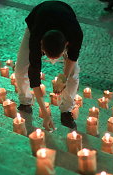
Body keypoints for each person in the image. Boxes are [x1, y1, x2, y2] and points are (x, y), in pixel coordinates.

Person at [15, 1, 83, 130]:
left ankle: (66, 110)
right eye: (47, 55)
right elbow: (34, 75)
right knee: (20, 69)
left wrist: (63, 78)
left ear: (67, 45)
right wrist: (45, 113)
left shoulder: (75, 34)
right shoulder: (35, 38)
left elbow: (72, 57)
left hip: (65, 18)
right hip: (37, 19)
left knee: (74, 74)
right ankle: (25, 101)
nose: (52, 61)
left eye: (56, 57)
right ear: (41, 45)